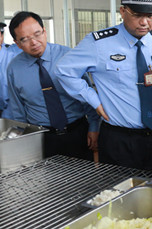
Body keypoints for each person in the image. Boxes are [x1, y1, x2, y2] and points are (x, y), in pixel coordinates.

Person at [55, 0, 152, 172]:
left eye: (150, 15)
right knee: (117, 195)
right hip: (119, 140)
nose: (145, 22)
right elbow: (63, 70)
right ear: (123, 11)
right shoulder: (99, 43)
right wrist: (94, 101)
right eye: (138, 15)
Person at [7, 11, 100, 160]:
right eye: (25, 39)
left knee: (86, 180)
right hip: (42, 138)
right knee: (49, 182)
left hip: (78, 132)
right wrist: (24, 141)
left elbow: (87, 95)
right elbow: (18, 110)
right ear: (17, 43)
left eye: (37, 34)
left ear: (44, 31)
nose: (34, 42)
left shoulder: (68, 56)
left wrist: (94, 127)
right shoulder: (14, 68)